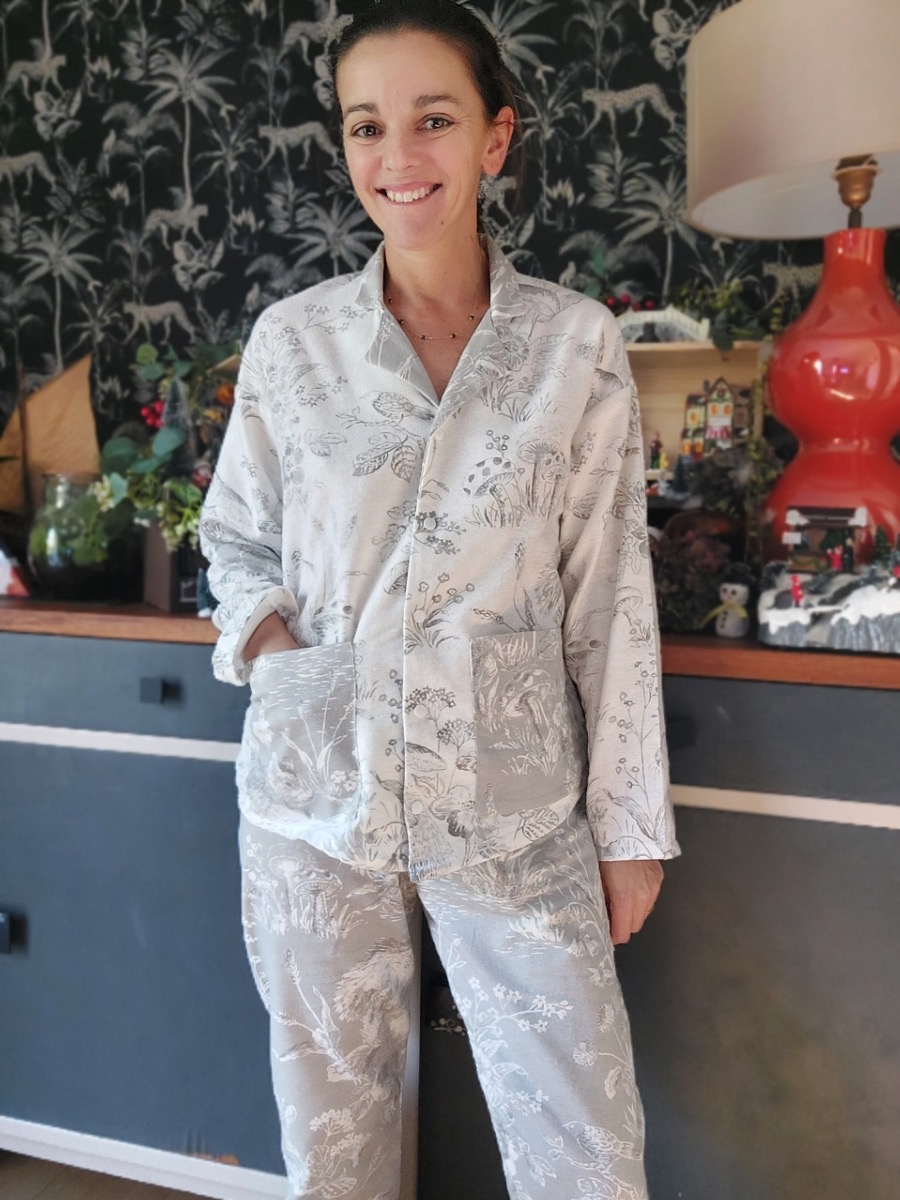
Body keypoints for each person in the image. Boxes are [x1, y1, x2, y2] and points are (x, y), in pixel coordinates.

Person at [200, 2, 679, 1196]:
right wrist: (279, 657)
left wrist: (628, 831)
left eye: (434, 119)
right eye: (368, 125)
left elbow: (610, 595)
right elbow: (234, 537)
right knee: (335, 1141)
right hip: (318, 800)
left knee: (585, 1148)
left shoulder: (575, 347)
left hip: (515, 803)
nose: (398, 156)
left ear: (494, 138)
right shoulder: (292, 343)